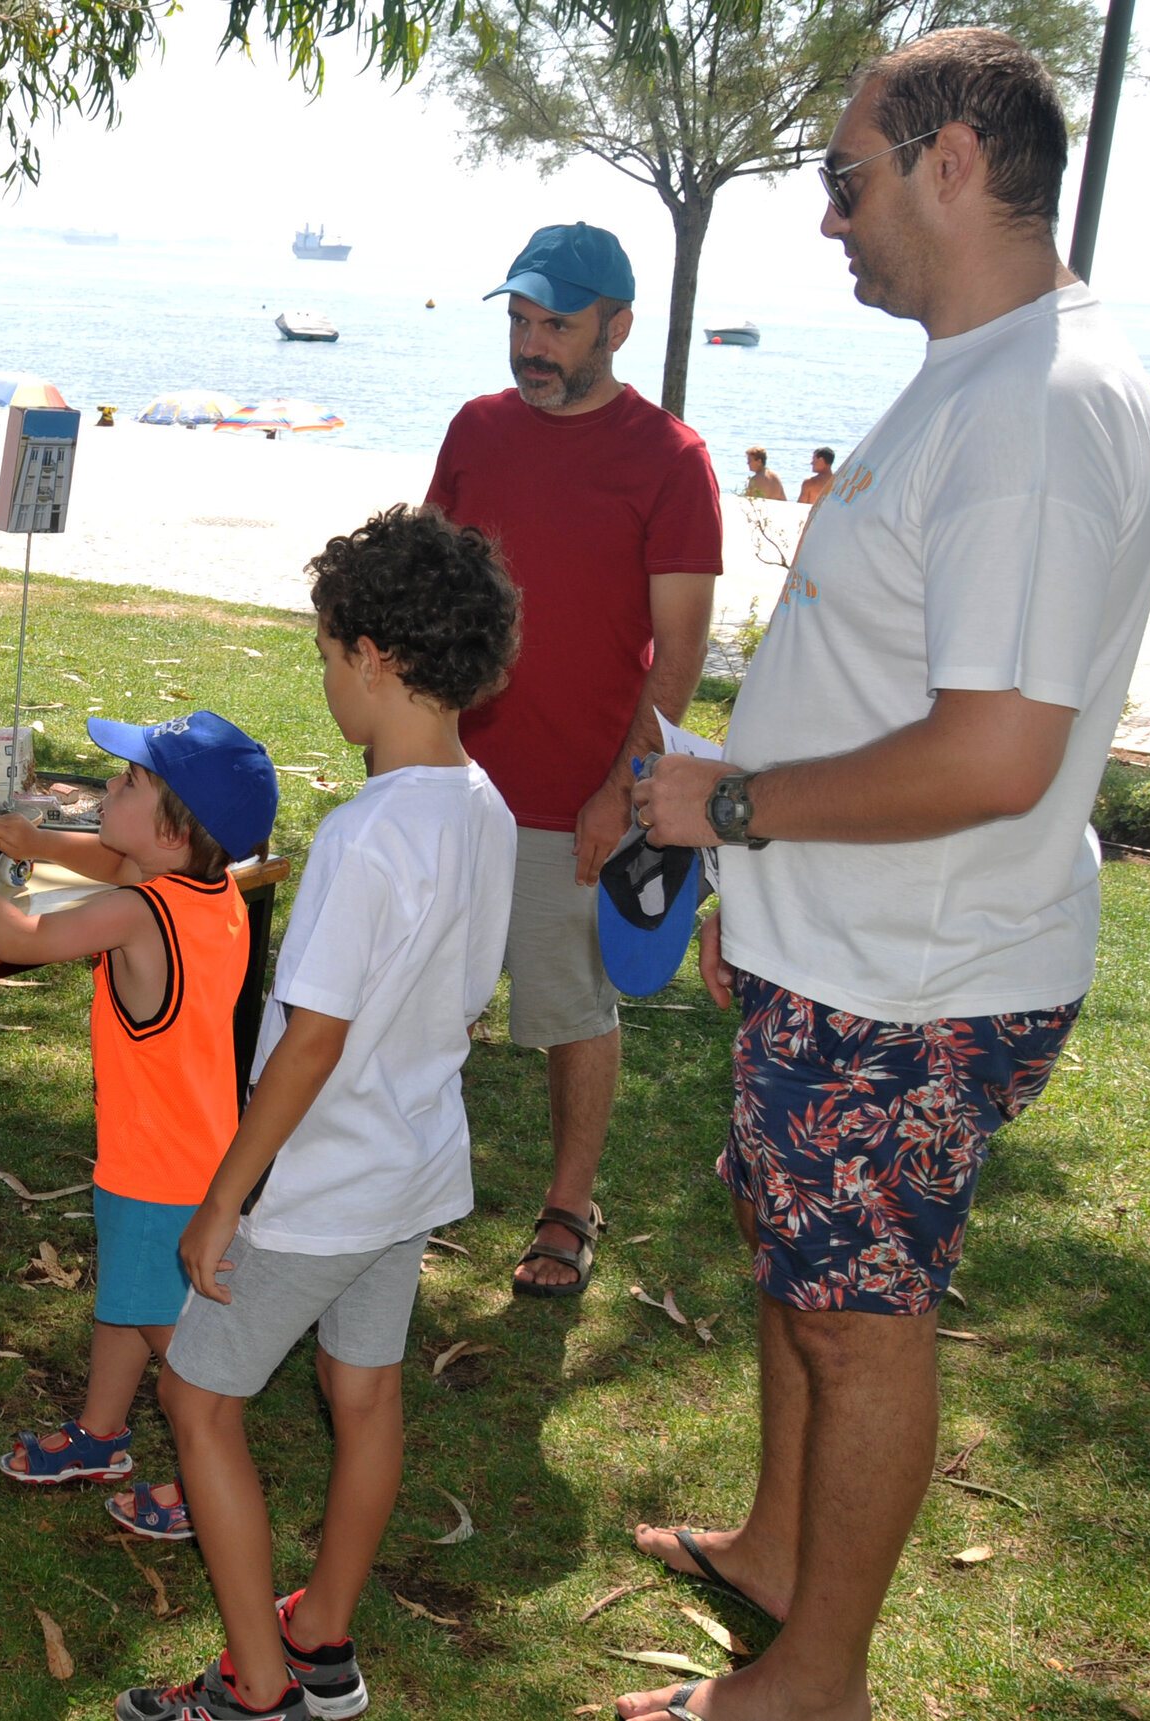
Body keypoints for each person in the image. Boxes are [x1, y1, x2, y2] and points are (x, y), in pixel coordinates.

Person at [625, 29, 1150, 1721]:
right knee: (799, 1263)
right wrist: (766, 894)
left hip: (917, 976)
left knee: (860, 1316)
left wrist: (729, 809)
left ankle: (818, 1681)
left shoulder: (1037, 409)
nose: (828, 217)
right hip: (849, 942)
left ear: (950, 162)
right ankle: (781, 1553)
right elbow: (882, 680)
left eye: (843, 178)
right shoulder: (983, 371)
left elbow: (996, 754)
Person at [114, 506, 520, 1721]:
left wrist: (223, 1195)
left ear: (374, 657)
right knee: (365, 1389)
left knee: (196, 1398)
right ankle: (321, 1634)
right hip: (410, 1161)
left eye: (326, 652)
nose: (327, 676)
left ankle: (257, 1685)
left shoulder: (362, 835)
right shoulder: (487, 804)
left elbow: (311, 1038)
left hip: (318, 1182)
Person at [425, 222, 724, 1298]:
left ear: (617, 327)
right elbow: (431, 591)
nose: (530, 344)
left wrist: (619, 789)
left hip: (577, 798)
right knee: (417, 996)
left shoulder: (671, 460)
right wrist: (406, 748)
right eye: (519, 319)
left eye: (555, 324)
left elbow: (679, 649)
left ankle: (567, 1204)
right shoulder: (476, 430)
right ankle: (399, 1182)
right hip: (452, 783)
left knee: (571, 1013)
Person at [0, 712, 279, 1535]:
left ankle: (207, 1476)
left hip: (157, 1175)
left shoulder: (138, 912)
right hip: (192, 1157)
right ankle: (101, 1435)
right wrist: (37, 842)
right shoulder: (211, 892)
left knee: (184, 1350)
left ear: (173, 832)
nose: (107, 785)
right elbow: (113, 860)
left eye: (129, 782)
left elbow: (18, 936)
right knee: (130, 1298)